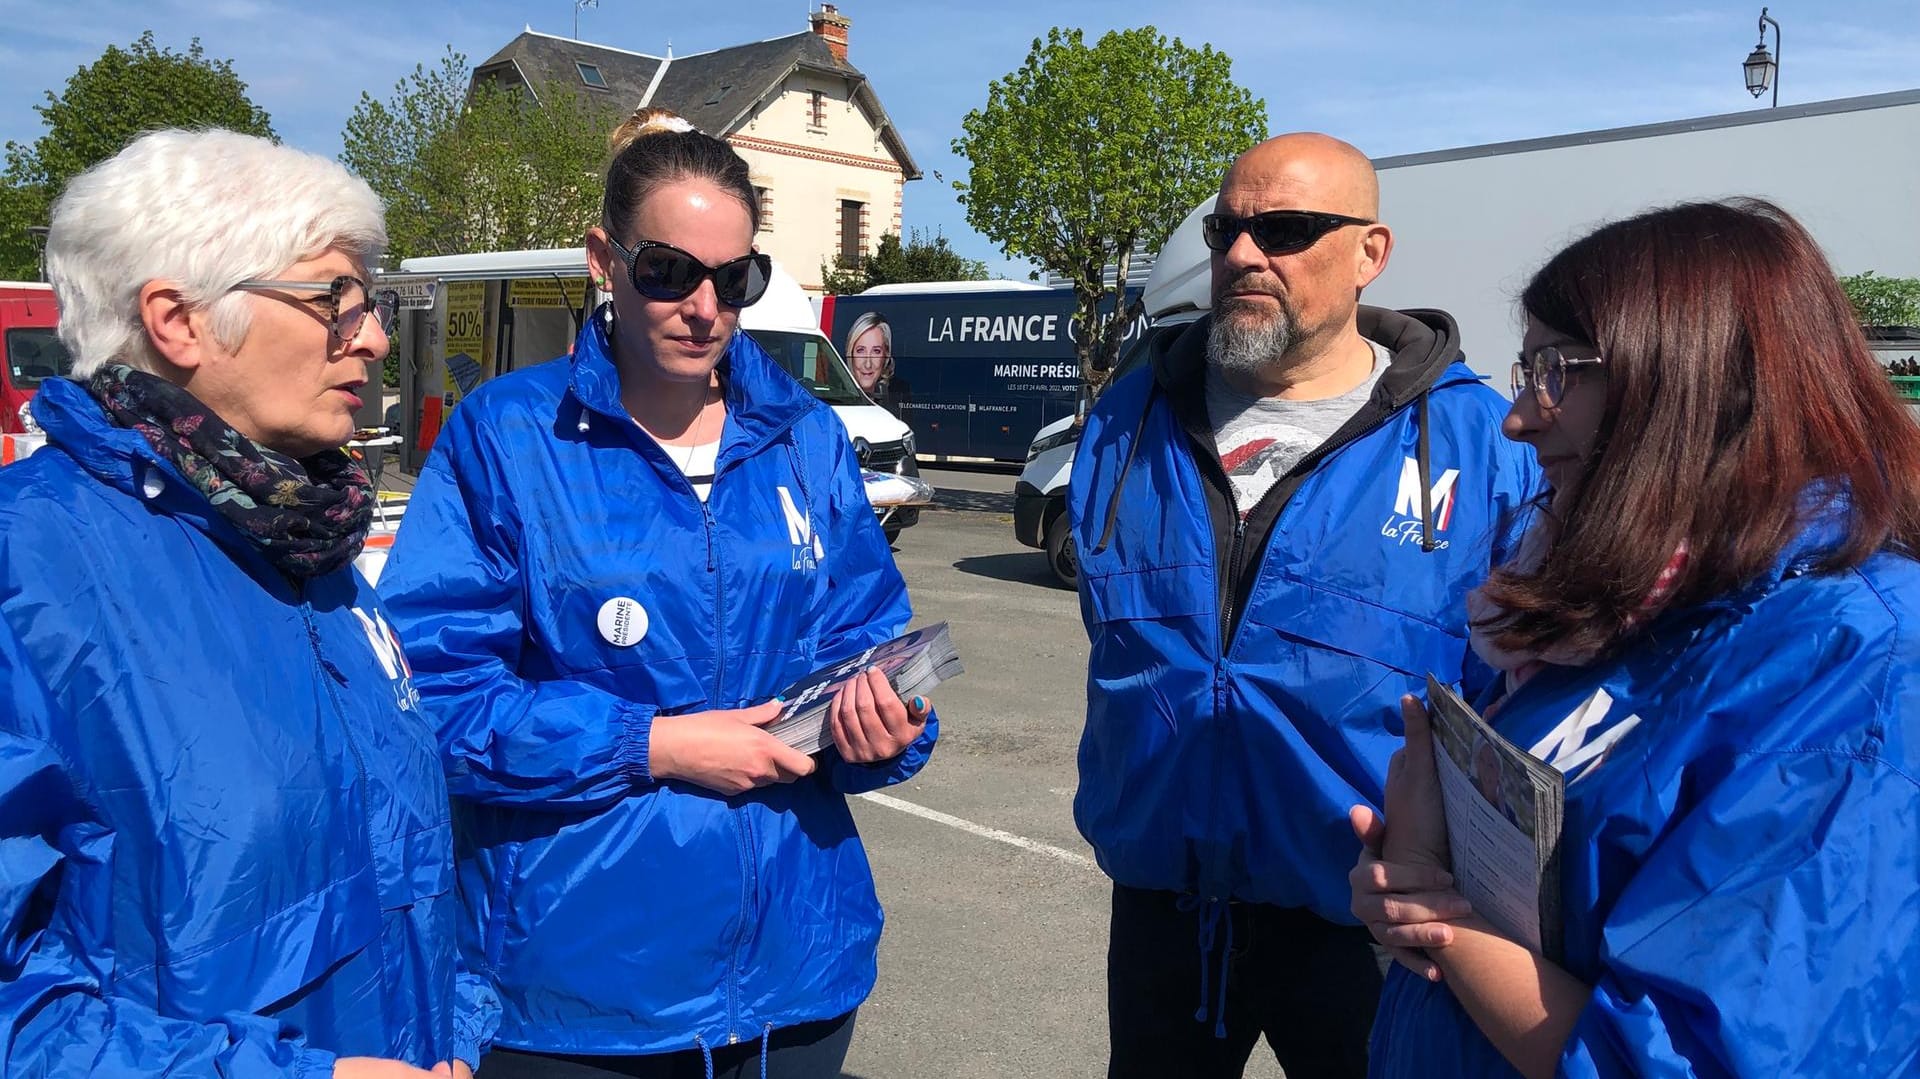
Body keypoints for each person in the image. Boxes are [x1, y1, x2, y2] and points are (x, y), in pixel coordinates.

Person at [379, 107, 938, 1079]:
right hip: (581, 993)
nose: (704, 306)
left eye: (736, 278)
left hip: (792, 974)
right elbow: (435, 701)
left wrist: (890, 725)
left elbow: (868, 636)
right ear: (607, 256)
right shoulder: (506, 438)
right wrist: (656, 743)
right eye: (669, 271)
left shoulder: (806, 437)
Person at [1352, 198, 1920, 1079]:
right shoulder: (1633, 603)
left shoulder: (1855, 668)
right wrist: (1412, 870)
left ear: (1700, 379)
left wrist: (1436, 916)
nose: (1520, 416)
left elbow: (1690, 1058)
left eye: (1558, 369)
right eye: (1525, 367)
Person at [0, 129, 496, 1077]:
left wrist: (459, 1030)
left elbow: (412, 864)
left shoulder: (314, 540)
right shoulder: (26, 565)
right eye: (333, 302)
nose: (376, 337)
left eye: (371, 303)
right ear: (178, 321)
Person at [1068, 132, 1542, 1078]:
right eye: (1227, 229)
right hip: (1168, 912)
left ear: (1372, 252)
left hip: (1372, 925)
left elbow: (1516, 698)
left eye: (1284, 230)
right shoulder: (1128, 418)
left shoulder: (1478, 442)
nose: (1244, 255)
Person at [845, 310, 908, 413]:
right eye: (860, 351)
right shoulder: (834, 403)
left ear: (886, 354)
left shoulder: (894, 410)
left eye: (876, 351)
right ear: (850, 353)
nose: (868, 364)